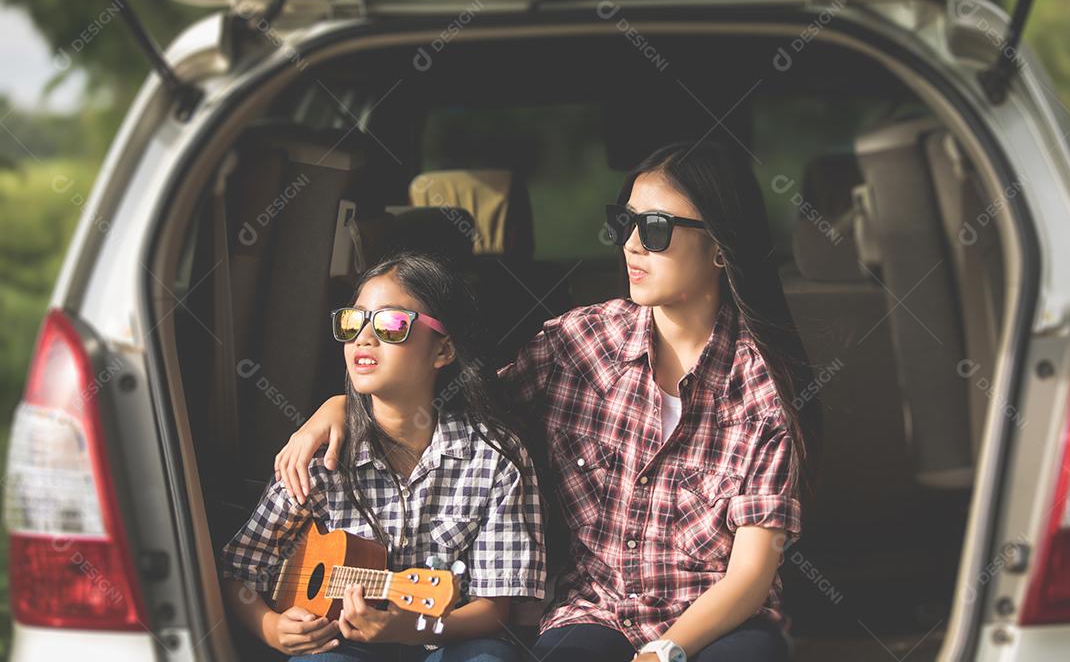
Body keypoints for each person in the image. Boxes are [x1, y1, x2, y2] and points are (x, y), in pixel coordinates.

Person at [274, 140, 822, 661]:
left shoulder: (762, 389)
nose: (631, 244)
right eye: (625, 222)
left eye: (655, 229)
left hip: (718, 619)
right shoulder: (578, 344)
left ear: (721, 246)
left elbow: (749, 576)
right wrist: (341, 406)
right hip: (594, 609)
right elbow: (452, 409)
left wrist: (665, 650)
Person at [219, 251, 546, 661]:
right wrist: (269, 628)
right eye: (352, 322)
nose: (364, 337)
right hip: (342, 643)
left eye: (390, 325)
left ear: (443, 350)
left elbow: (492, 610)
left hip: (447, 638)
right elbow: (239, 568)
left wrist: (411, 629)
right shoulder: (320, 454)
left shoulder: (493, 456)